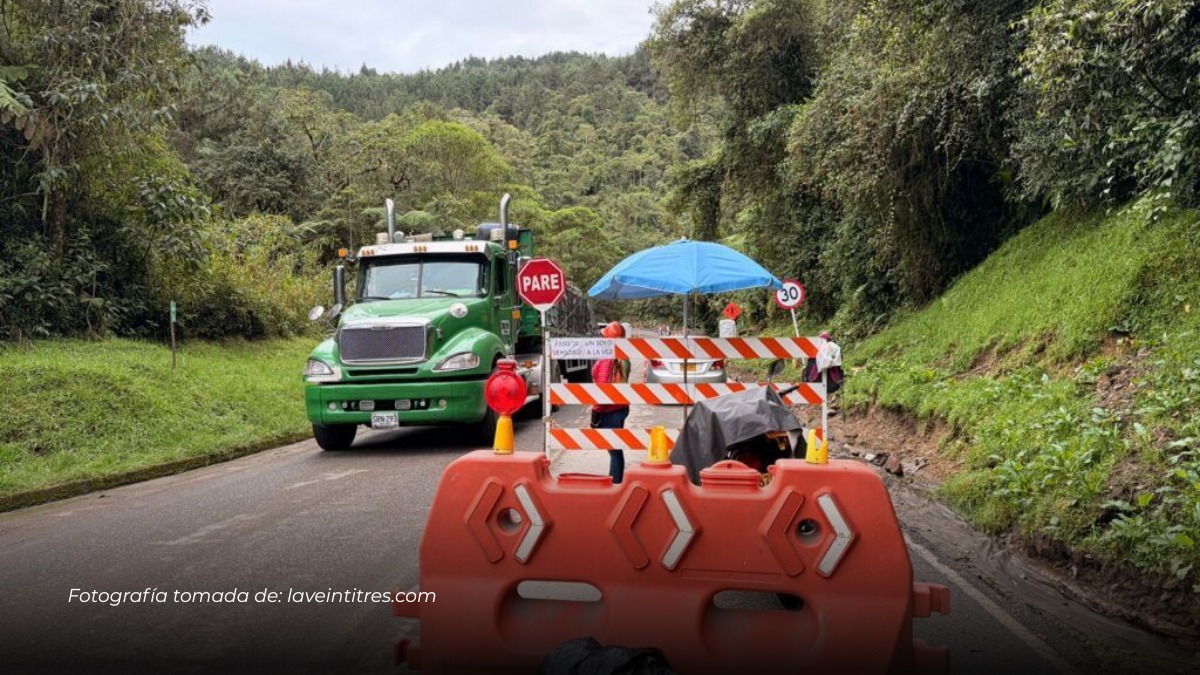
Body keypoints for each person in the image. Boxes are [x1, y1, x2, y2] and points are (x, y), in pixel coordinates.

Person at [593, 321, 631, 483]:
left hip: (609, 410)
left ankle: (615, 483)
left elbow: (603, 390)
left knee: (614, 450)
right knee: (614, 447)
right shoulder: (624, 358)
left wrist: (595, 410)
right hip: (621, 407)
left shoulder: (607, 359)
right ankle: (613, 479)